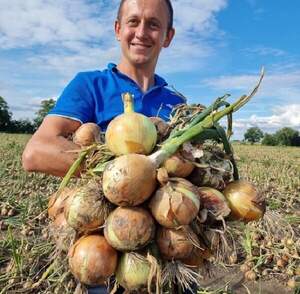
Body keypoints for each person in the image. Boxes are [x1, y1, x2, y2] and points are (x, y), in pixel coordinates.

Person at [22, 0, 197, 293]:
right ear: (118, 29)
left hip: (168, 259)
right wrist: (127, 179)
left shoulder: (177, 105)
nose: (142, 32)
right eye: (133, 22)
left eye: (153, 24)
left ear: (168, 36)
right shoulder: (90, 85)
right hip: (107, 257)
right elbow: (36, 152)